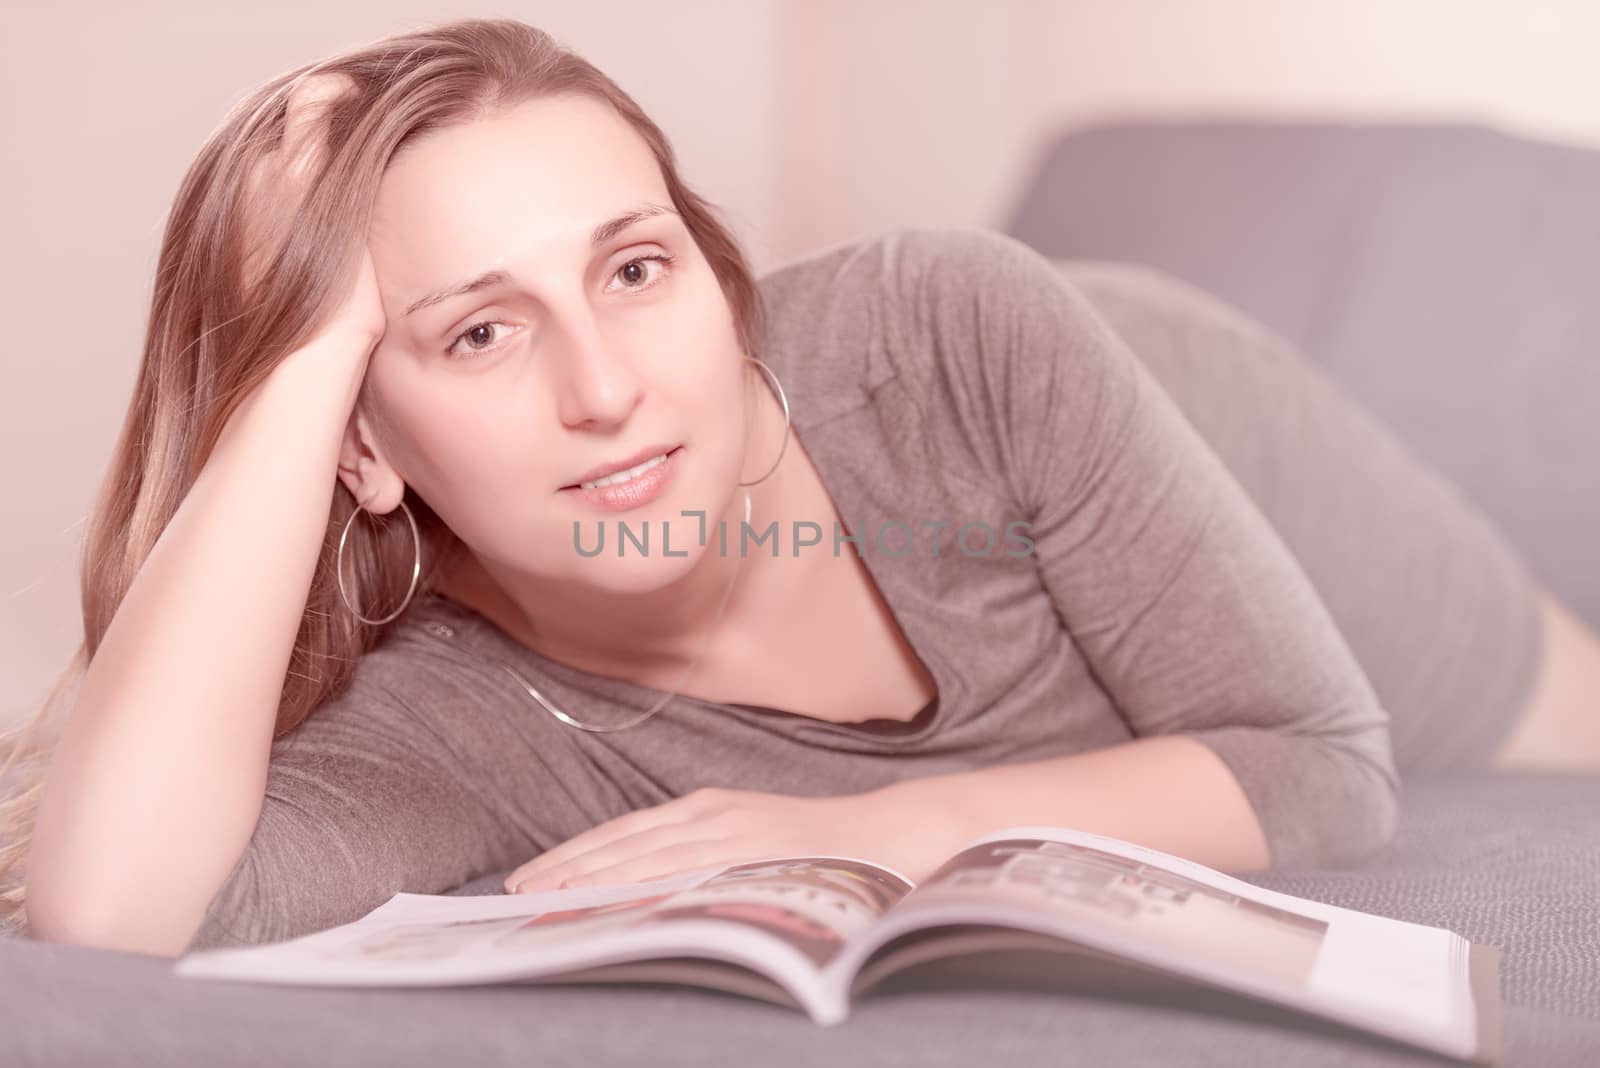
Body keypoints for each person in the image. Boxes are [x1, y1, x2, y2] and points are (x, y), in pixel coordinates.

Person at [7, 17, 1599, 959]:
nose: (608, 386)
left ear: (711, 268)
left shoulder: (952, 329)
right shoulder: (457, 720)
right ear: (359, 446)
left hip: (1223, 445)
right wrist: (303, 346)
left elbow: (1324, 763)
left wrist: (912, 828)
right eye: (480, 329)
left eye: (636, 267)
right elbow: (112, 907)